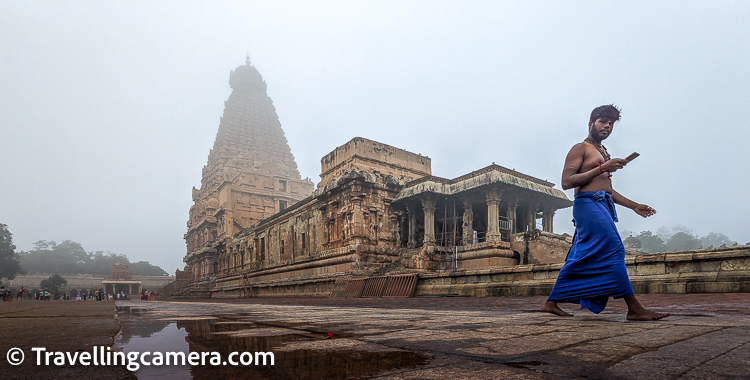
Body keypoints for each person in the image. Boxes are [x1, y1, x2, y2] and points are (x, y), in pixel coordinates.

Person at [541, 105, 669, 321]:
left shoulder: (602, 152)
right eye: (602, 121)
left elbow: (606, 189)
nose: (607, 126)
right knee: (614, 249)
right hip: (587, 205)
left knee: (580, 254)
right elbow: (566, 182)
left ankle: (551, 302)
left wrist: (634, 205)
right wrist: (602, 168)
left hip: (602, 204)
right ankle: (634, 308)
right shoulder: (580, 148)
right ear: (591, 123)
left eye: (611, 123)